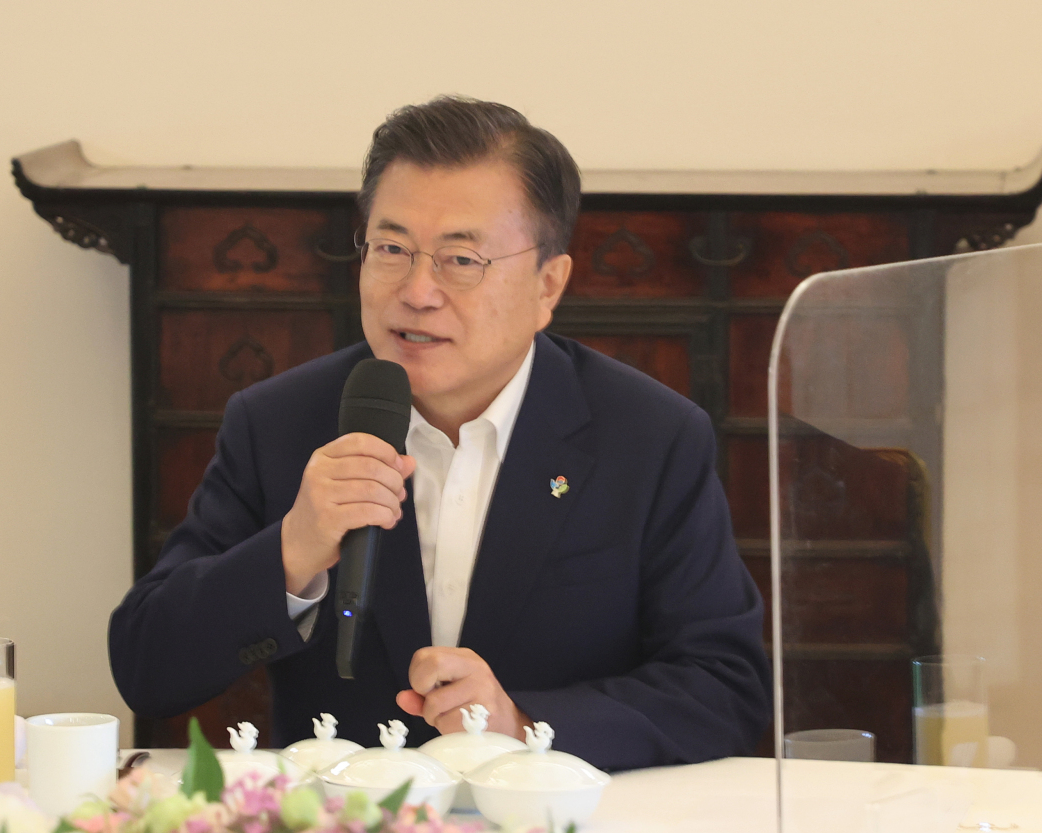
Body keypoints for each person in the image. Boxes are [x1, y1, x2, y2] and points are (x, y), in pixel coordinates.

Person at [109, 96, 771, 770]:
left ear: (548, 284)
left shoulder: (649, 437)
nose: (417, 290)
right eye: (392, 248)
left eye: (461, 259)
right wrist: (292, 549)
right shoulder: (279, 423)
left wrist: (522, 723)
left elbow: (726, 688)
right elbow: (147, 668)